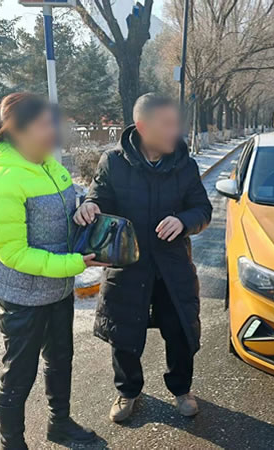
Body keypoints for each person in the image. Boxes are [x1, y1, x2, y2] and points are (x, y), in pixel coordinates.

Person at [0, 93, 108, 449]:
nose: (53, 131)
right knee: (19, 375)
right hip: (21, 297)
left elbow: (69, 205)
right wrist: (73, 264)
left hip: (58, 290)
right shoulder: (4, 181)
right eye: (44, 125)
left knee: (60, 361)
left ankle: (60, 425)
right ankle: (12, 443)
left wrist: (83, 208)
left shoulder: (50, 166)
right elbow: (12, 253)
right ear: (16, 131)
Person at [74, 94, 212, 422]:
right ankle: (128, 391)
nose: (175, 131)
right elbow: (98, 198)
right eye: (167, 125)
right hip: (127, 265)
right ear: (143, 127)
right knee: (124, 334)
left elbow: (202, 209)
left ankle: (182, 389)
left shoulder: (185, 165)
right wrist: (90, 206)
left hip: (172, 266)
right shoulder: (114, 162)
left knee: (180, 331)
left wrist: (184, 221)